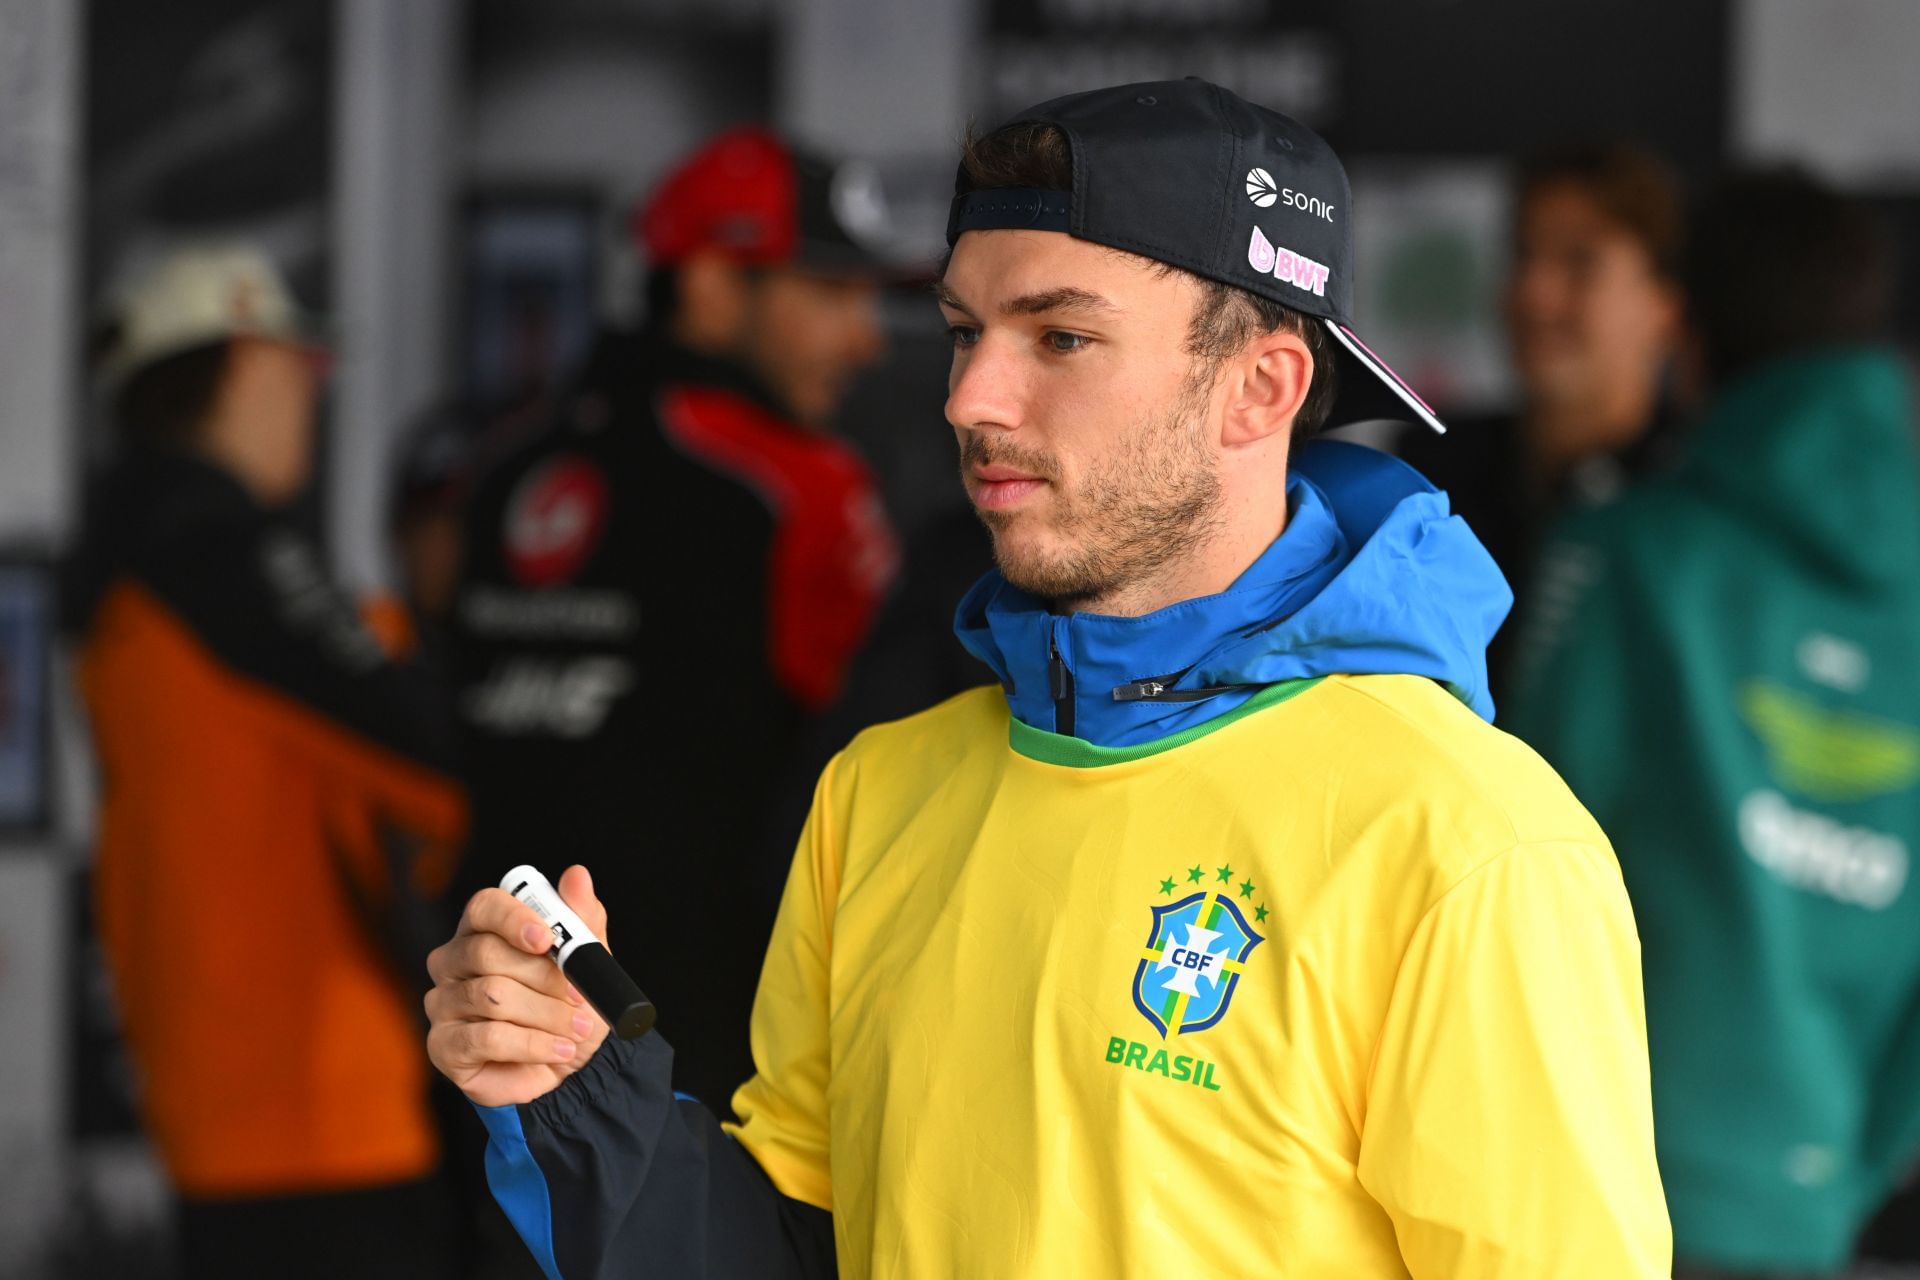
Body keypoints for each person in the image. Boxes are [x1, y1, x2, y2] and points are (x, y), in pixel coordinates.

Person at [427, 81, 1672, 1277]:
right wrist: (585, 1093)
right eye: (967, 330)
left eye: (1060, 335)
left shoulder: (1470, 847)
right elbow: (802, 1245)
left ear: (1261, 387)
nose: (970, 396)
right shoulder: (878, 795)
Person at [1506, 170, 1920, 1278]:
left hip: (1595, 1184)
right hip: (1811, 1209)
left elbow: (1512, 852)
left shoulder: (1632, 552)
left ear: (1686, 332)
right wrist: (1833, 1171)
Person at [447, 127, 901, 1111]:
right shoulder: (800, 486)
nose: (865, 337)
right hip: (707, 1056)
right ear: (707, 282)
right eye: (829, 293)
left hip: (487, 1036)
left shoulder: (501, 468)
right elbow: (900, 756)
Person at [66, 245, 467, 1279]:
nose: (309, 399)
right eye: (302, 367)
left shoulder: (126, 577)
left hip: (218, 1102)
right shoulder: (222, 561)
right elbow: (429, 749)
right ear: (245, 362)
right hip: (320, 1115)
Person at [1398, 141, 1685, 702]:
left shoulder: (1699, 494)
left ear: (1664, 305)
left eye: (1580, 263)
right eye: (1523, 257)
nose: (1534, 295)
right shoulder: (1429, 468)